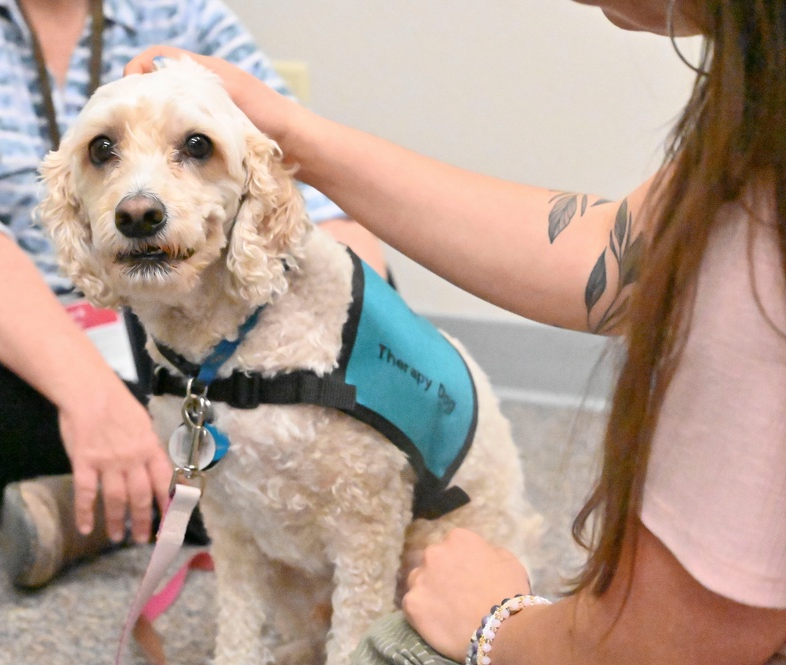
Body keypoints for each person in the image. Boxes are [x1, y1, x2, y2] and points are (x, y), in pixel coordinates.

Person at [126, 0, 786, 662]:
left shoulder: (751, 263)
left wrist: (496, 620)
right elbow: (612, 255)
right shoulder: (760, 120)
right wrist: (297, 136)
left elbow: (673, 643)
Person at [0, 0, 386, 590]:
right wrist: (93, 400)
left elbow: (313, 190)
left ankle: (109, 501)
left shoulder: (181, 15)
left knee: (340, 293)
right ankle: (197, 485)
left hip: (144, 309)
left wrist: (363, 343)